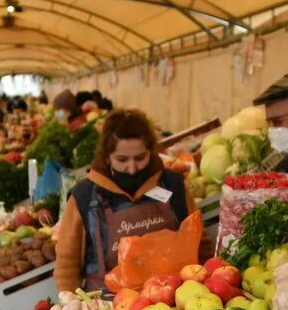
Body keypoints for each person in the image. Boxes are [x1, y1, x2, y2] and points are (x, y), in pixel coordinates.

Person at [55, 108, 196, 292]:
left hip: (172, 301)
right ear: (107, 156)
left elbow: (198, 242)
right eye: (122, 159)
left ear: (151, 151)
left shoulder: (173, 185)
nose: (132, 168)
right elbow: (67, 264)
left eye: (140, 158)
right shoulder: (84, 197)